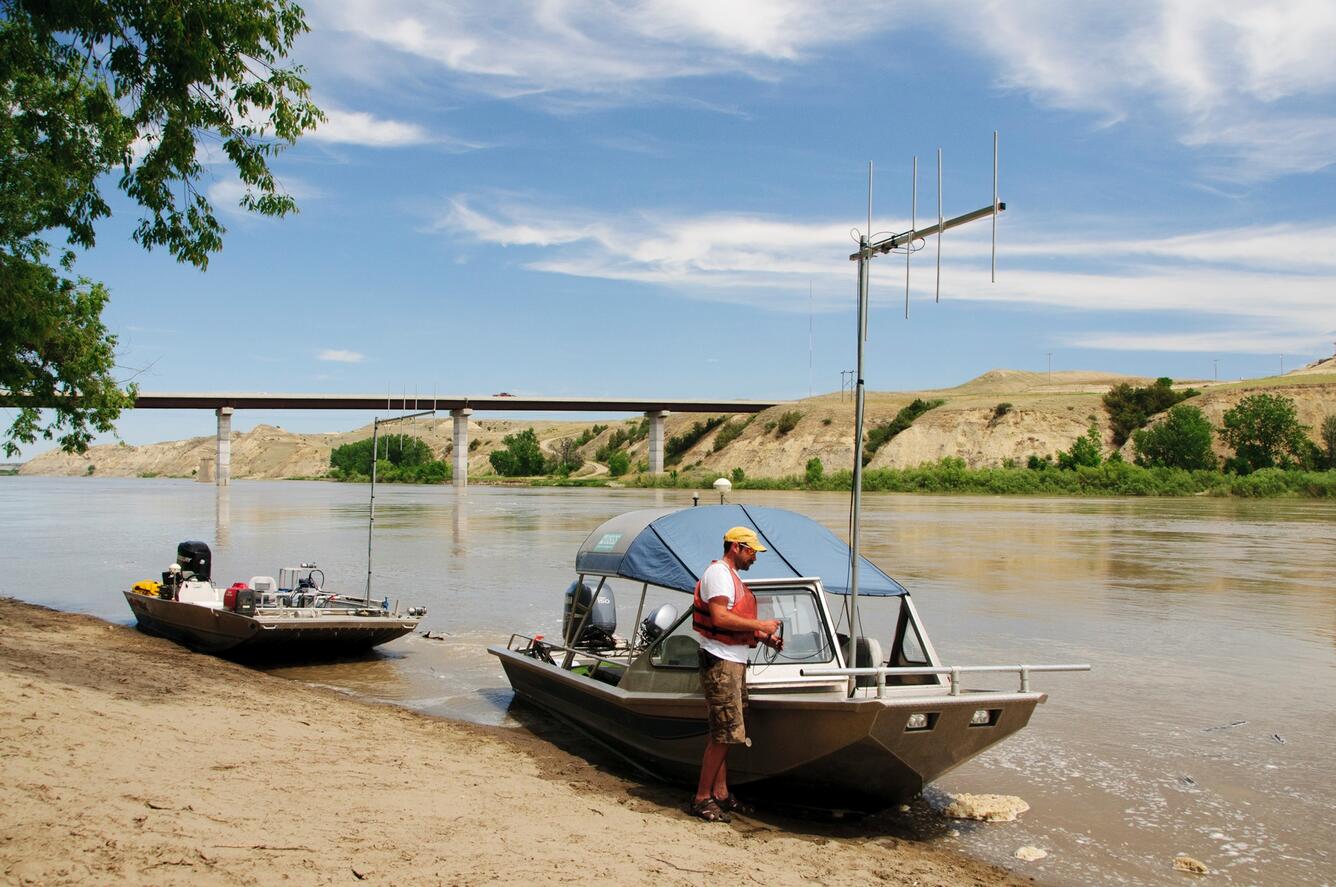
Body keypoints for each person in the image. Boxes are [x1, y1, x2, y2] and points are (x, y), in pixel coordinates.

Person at [690, 526, 783, 822]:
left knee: (727, 732)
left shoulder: (732, 577)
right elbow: (719, 617)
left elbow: (732, 620)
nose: (754, 557)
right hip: (721, 662)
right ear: (736, 548)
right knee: (724, 733)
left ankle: (721, 794)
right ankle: (702, 798)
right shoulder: (718, 574)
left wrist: (764, 636)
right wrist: (762, 624)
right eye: (751, 551)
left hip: (733, 661)